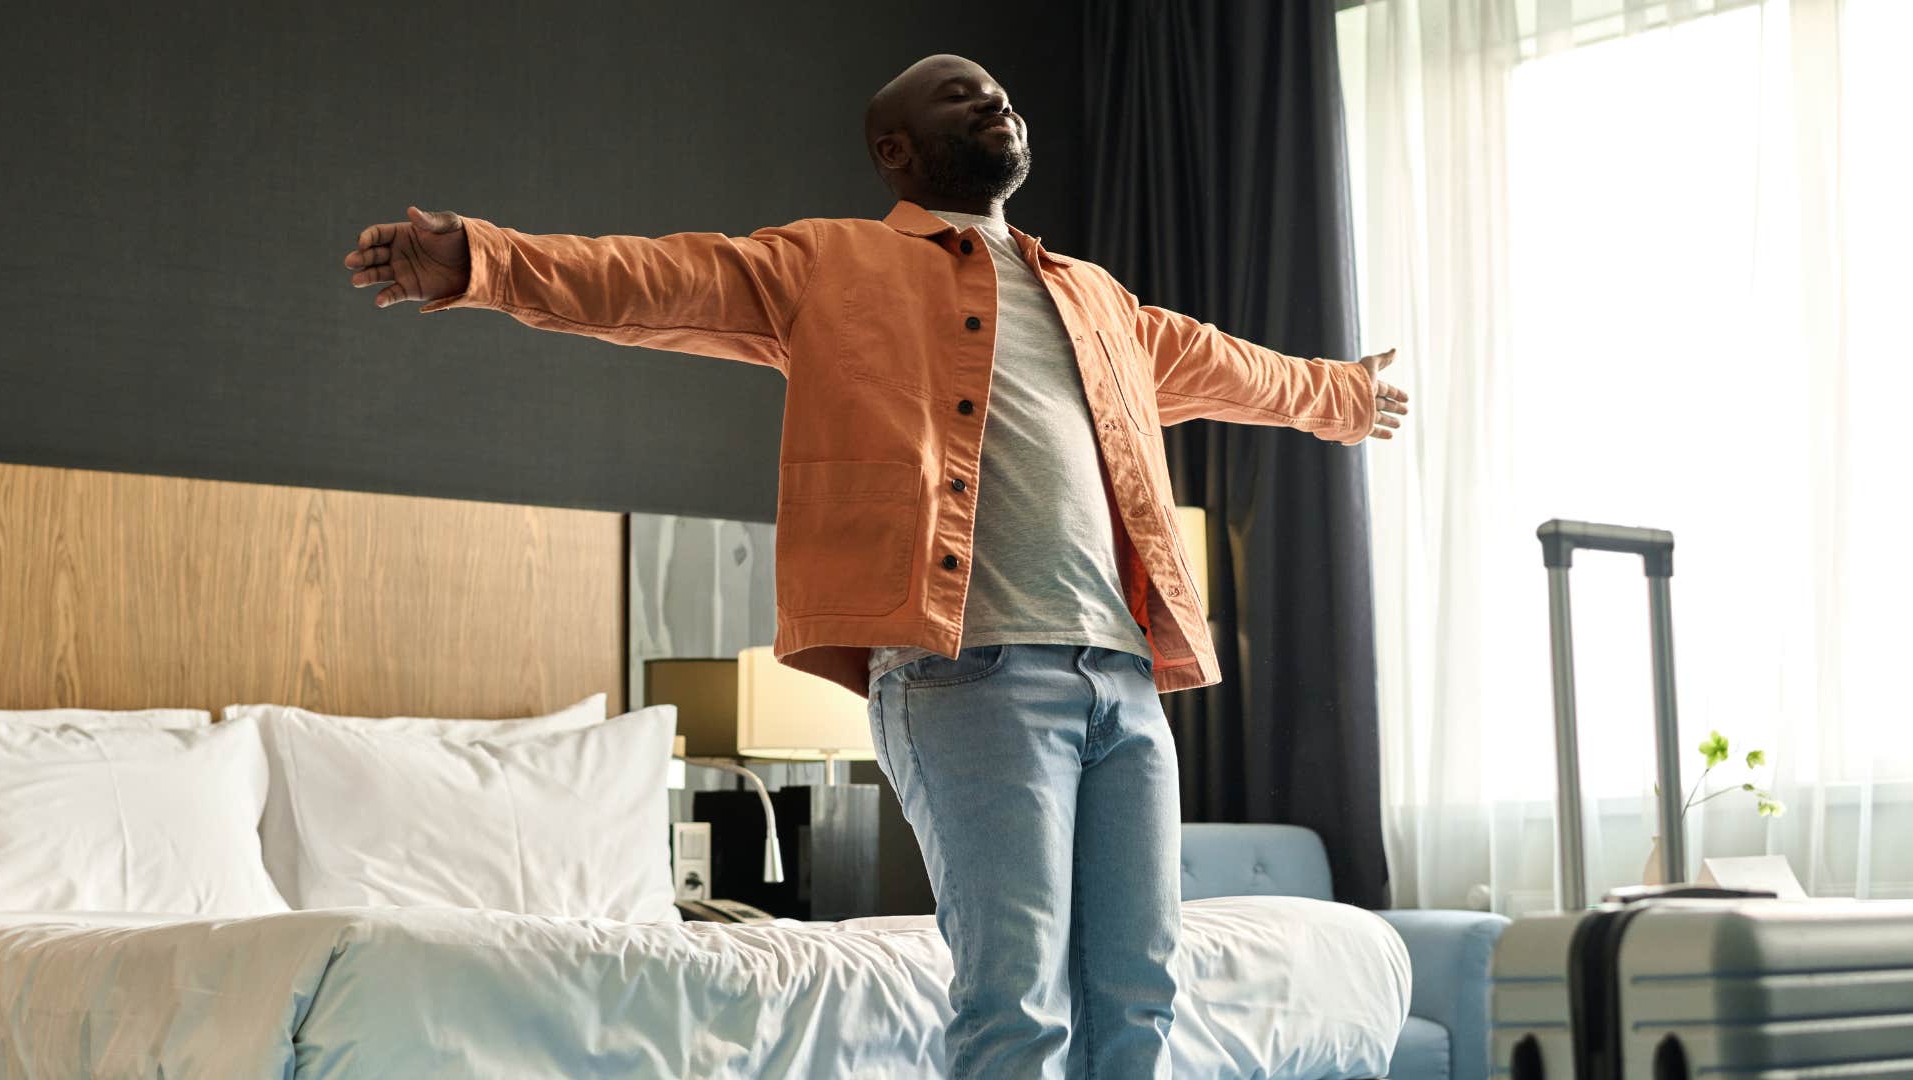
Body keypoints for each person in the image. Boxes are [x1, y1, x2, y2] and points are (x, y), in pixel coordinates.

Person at [342, 51, 1408, 1080]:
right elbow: (653, 280)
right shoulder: (827, 264)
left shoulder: (1095, 298)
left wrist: (1348, 398)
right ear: (895, 150)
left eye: (1000, 93)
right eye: (962, 95)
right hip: (969, 678)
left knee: (1139, 994)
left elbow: (1232, 366)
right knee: (1016, 998)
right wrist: (483, 261)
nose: (996, 100)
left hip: (1122, 680)